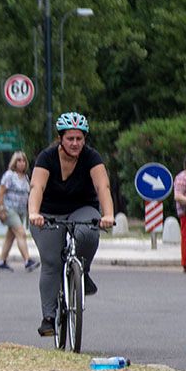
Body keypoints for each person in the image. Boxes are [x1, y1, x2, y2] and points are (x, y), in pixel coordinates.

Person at [27, 112, 115, 337]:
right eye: (70, 139)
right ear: (60, 139)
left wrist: (108, 215)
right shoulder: (46, 157)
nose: (75, 143)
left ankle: (82, 272)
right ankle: (48, 318)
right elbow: (37, 187)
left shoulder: (91, 157)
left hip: (81, 208)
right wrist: (34, 213)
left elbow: (102, 187)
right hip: (47, 213)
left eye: (79, 138)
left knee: (88, 233)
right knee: (51, 262)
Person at [0, 151, 37, 272]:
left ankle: (1, 261)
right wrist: (2, 208)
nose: (21, 163)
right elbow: (0, 193)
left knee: (11, 236)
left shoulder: (25, 178)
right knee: (21, 233)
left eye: (23, 161)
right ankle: (27, 260)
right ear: (14, 162)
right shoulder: (9, 175)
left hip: (21, 211)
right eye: (19, 161)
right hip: (9, 209)